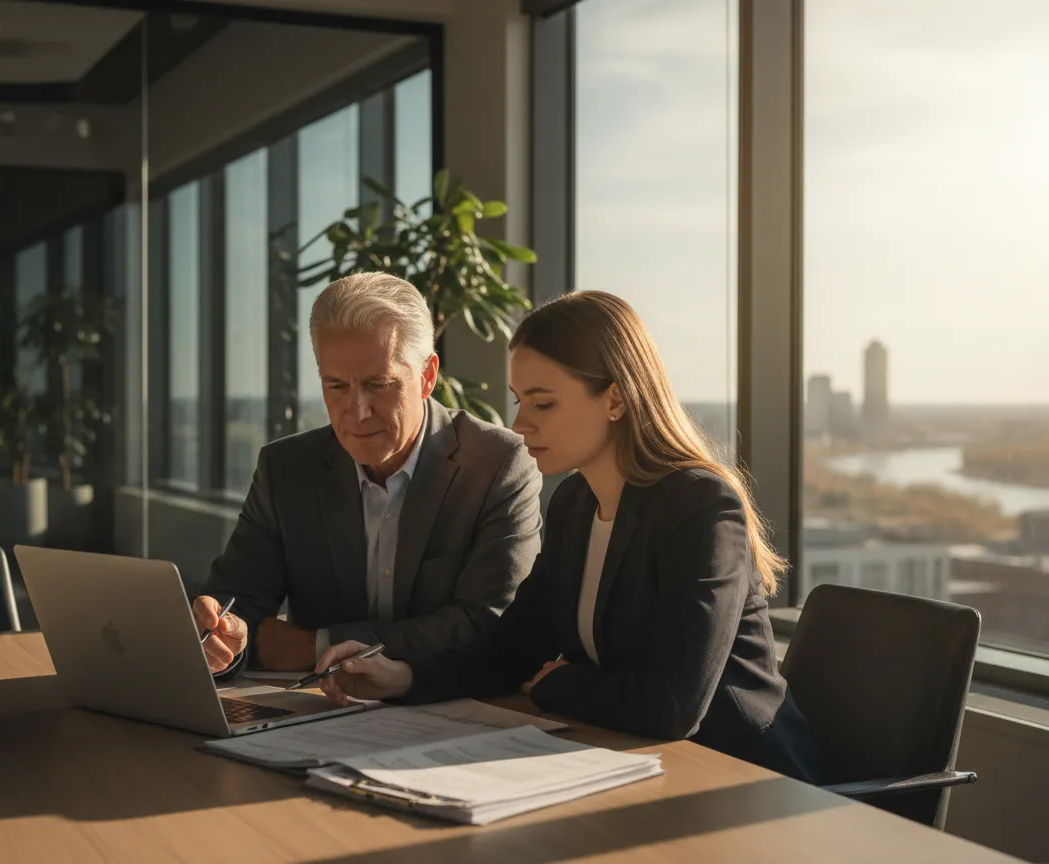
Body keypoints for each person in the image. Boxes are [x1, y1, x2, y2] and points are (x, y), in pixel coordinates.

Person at [313, 290, 823, 783]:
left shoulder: (700, 508)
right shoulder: (576, 505)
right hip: (637, 766)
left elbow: (672, 708)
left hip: (747, 781)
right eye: (519, 402)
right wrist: (402, 676)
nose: (520, 423)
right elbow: (513, 647)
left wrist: (558, 684)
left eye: (543, 404)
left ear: (616, 400)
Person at [195, 272, 543, 677]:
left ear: (427, 376)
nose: (357, 411)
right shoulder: (286, 468)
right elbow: (236, 604)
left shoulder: (497, 463)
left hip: (450, 711)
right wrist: (227, 637)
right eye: (336, 386)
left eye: (378, 384)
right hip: (314, 715)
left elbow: (491, 623)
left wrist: (318, 646)